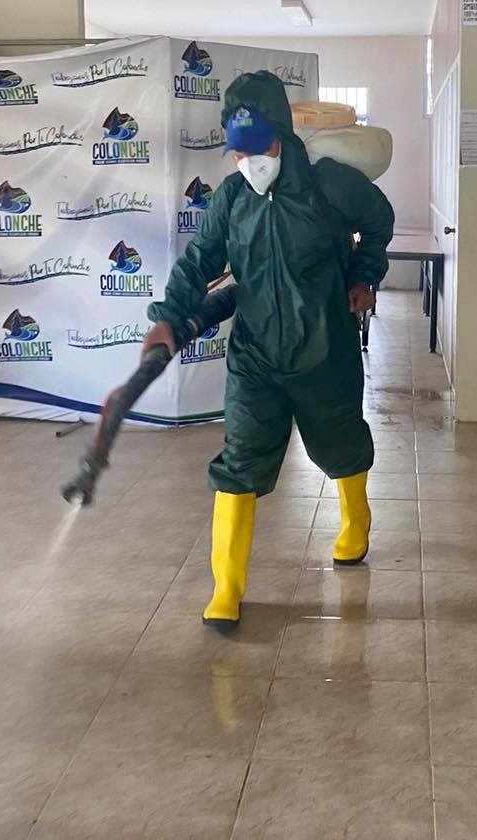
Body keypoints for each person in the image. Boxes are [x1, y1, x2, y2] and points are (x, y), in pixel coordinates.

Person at [143, 71, 394, 631]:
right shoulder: (232, 198)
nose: (248, 161)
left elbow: (379, 221)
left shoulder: (333, 185)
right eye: (239, 150)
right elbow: (199, 261)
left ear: (282, 134)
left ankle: (356, 523)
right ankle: (226, 588)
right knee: (239, 462)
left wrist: (364, 274)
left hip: (325, 348)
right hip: (255, 357)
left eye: (259, 147)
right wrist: (167, 317)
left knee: (341, 443)